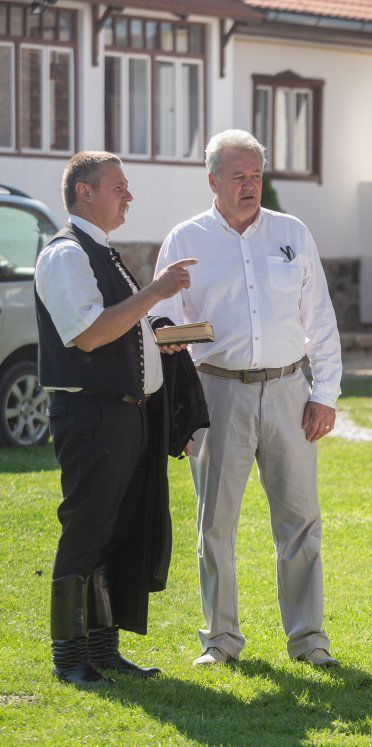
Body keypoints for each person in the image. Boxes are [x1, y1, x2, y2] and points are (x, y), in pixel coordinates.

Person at [152, 130, 343, 668]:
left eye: (256, 175)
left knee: (301, 521)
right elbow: (164, 326)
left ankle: (309, 641)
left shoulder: (292, 233)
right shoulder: (184, 240)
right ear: (212, 180)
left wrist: (324, 394)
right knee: (215, 524)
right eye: (238, 176)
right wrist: (180, 408)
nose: (250, 185)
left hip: (289, 391)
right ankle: (220, 641)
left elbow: (320, 318)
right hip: (216, 393)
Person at [35, 151, 199, 686]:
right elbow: (88, 334)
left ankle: (103, 651)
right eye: (119, 186)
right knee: (86, 530)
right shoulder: (65, 255)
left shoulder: (101, 251)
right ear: (85, 192)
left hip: (125, 417)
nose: (128, 195)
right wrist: (155, 292)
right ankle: (68, 658)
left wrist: (160, 338)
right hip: (91, 416)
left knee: (116, 531)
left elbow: (123, 329)